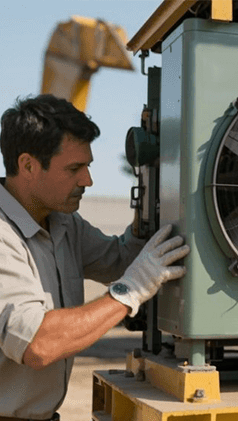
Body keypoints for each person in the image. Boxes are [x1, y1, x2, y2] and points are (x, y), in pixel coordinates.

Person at [0, 95, 190, 421]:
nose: (87, 180)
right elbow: (38, 344)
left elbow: (122, 260)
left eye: (87, 166)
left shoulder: (63, 223)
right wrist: (129, 292)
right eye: (74, 169)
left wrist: (148, 191)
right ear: (28, 165)